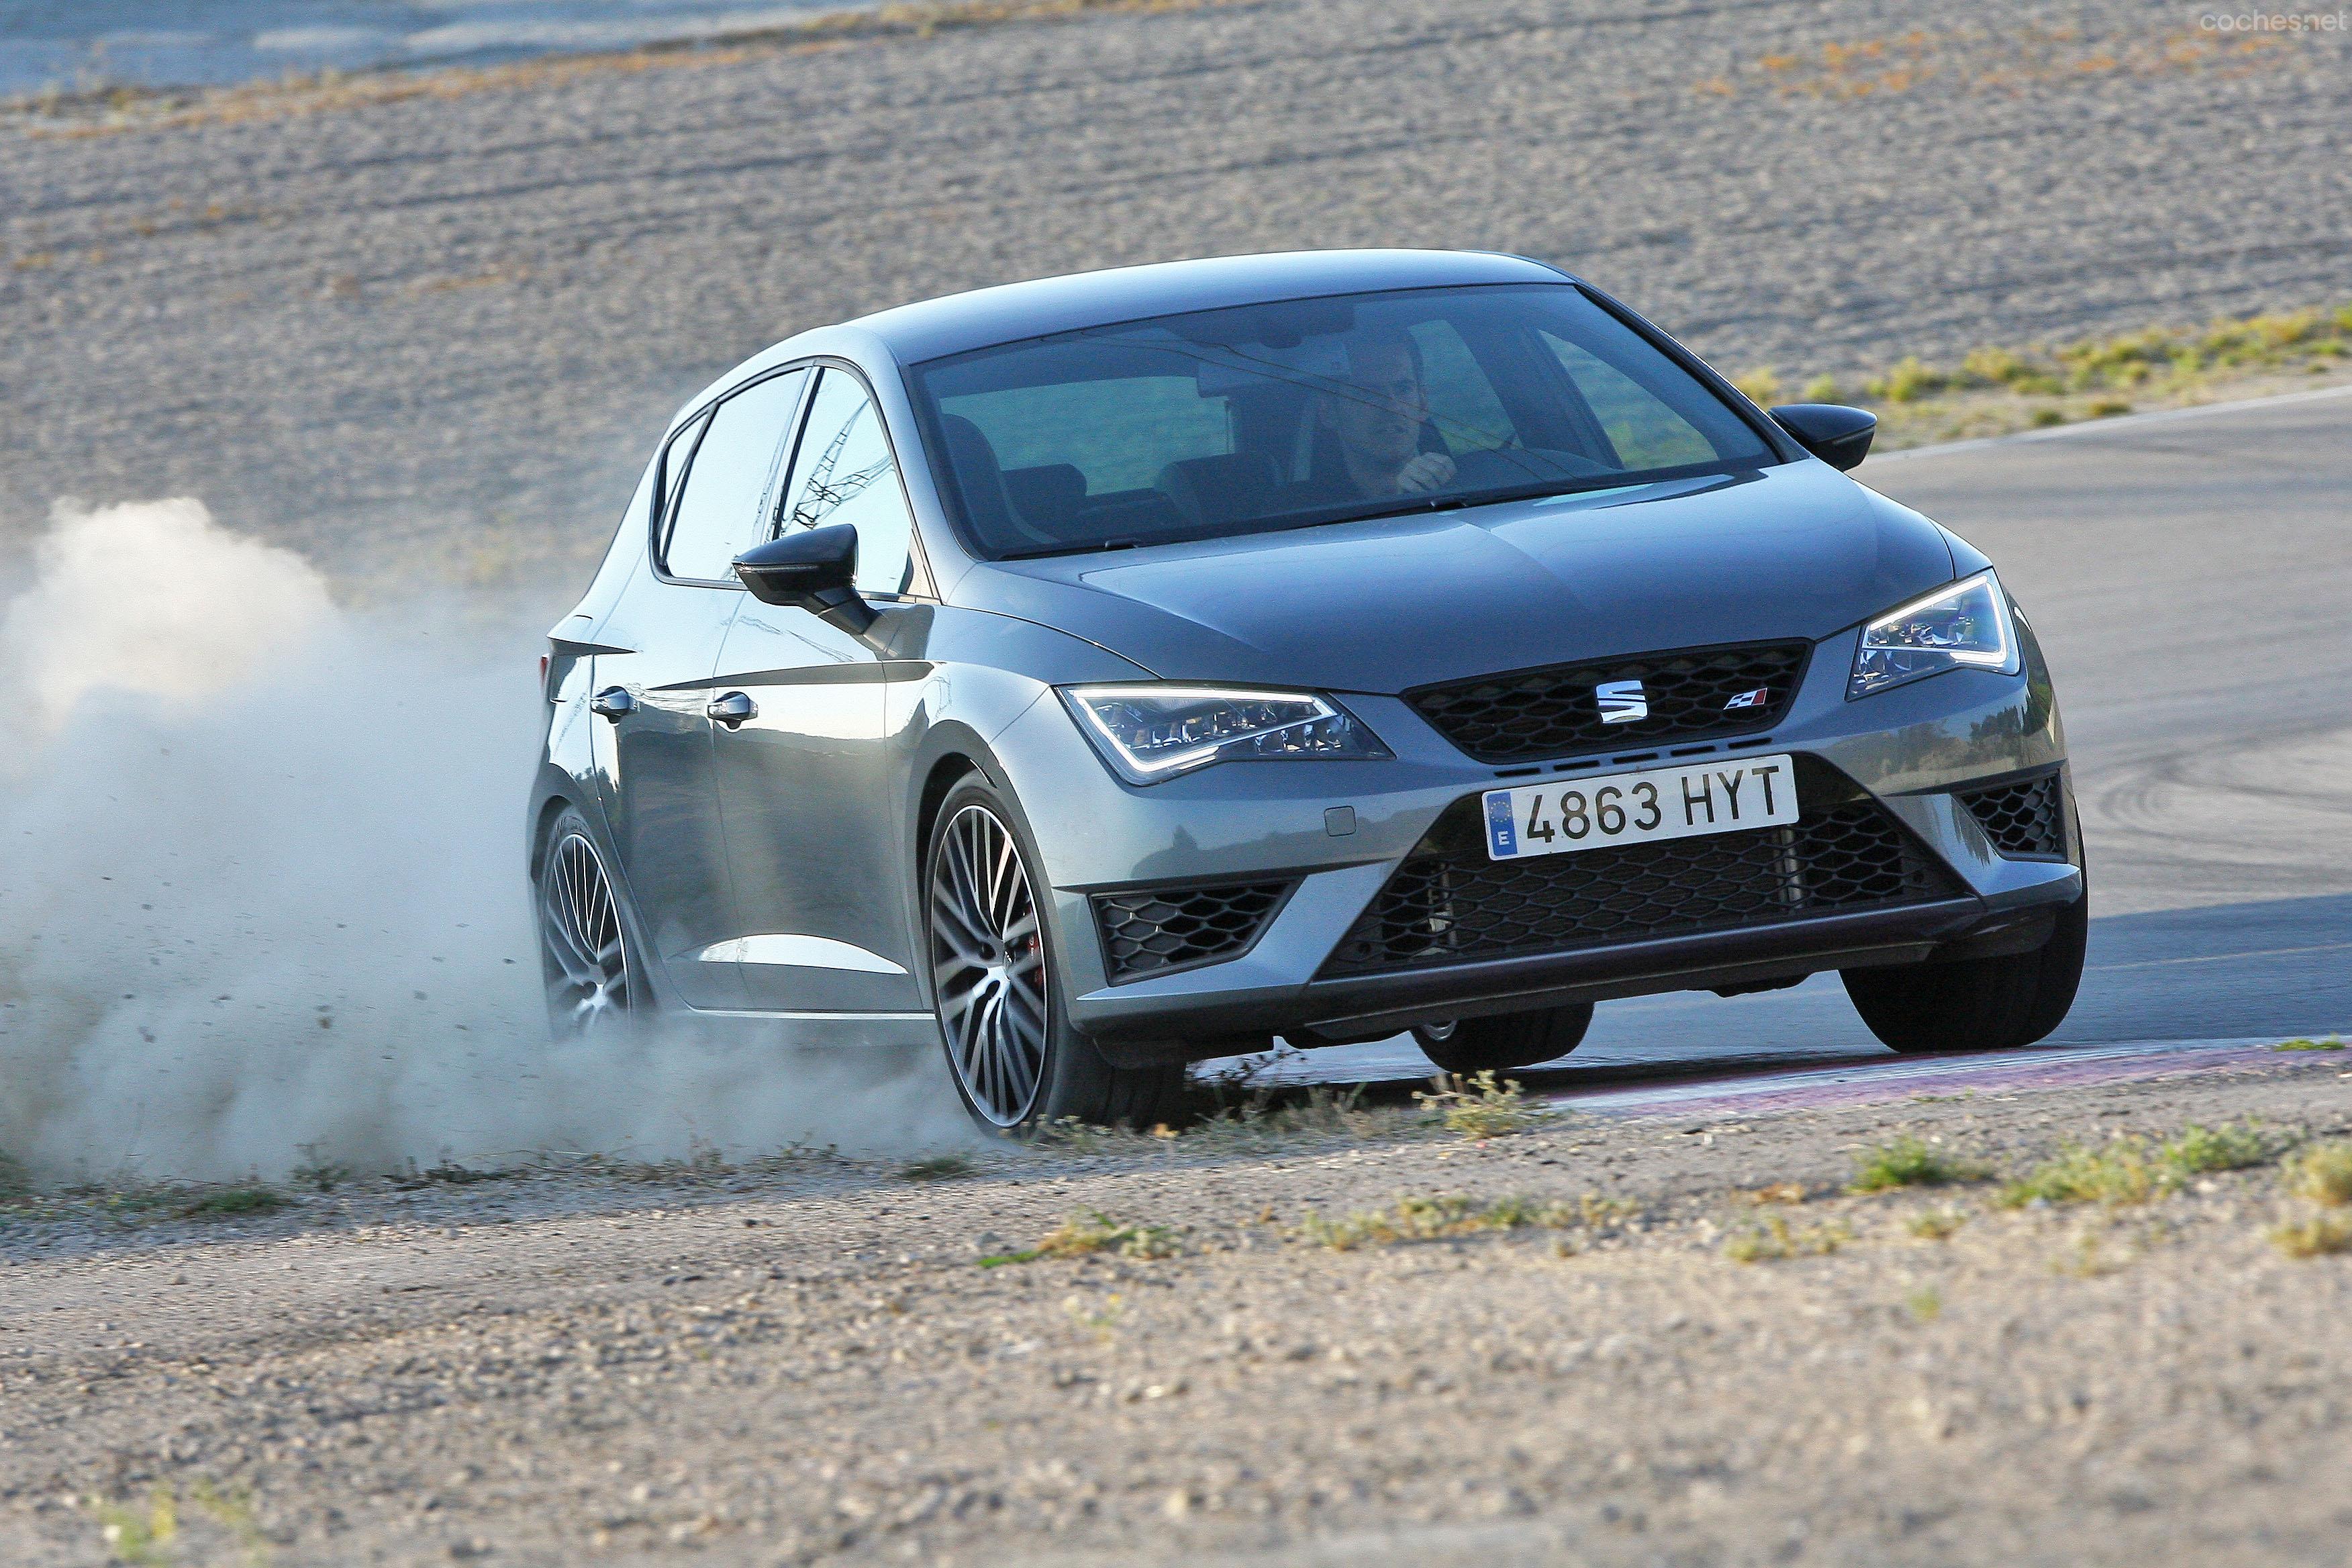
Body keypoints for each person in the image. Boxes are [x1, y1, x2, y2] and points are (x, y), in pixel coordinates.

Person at [1317, 328, 1457, 498]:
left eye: (1403, 389)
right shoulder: (1302, 513)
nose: (1392, 407)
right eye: (1369, 394)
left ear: (1423, 403)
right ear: (1329, 412)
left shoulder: (1469, 487)